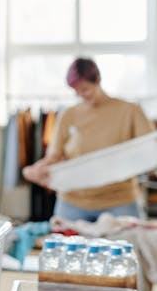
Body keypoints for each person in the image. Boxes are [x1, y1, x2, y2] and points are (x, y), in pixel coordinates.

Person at [22, 57, 154, 222]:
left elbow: (150, 151)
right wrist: (35, 169)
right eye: (76, 91)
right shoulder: (68, 115)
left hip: (120, 200)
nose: (81, 95)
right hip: (73, 201)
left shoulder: (130, 111)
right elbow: (54, 156)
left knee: (129, 247)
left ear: (98, 80)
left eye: (85, 89)